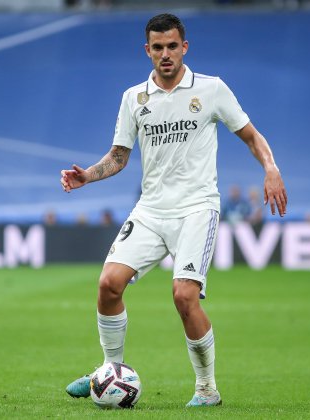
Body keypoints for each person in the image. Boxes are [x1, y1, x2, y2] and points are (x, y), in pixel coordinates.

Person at [60, 13, 287, 407]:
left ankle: (207, 389)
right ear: (147, 51)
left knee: (184, 296)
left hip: (197, 208)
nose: (165, 54)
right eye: (157, 47)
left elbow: (251, 135)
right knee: (107, 285)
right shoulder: (135, 97)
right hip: (151, 209)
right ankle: (110, 371)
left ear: (185, 47)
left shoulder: (212, 89)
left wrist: (271, 168)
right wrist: (89, 176)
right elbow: (118, 156)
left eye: (172, 46)